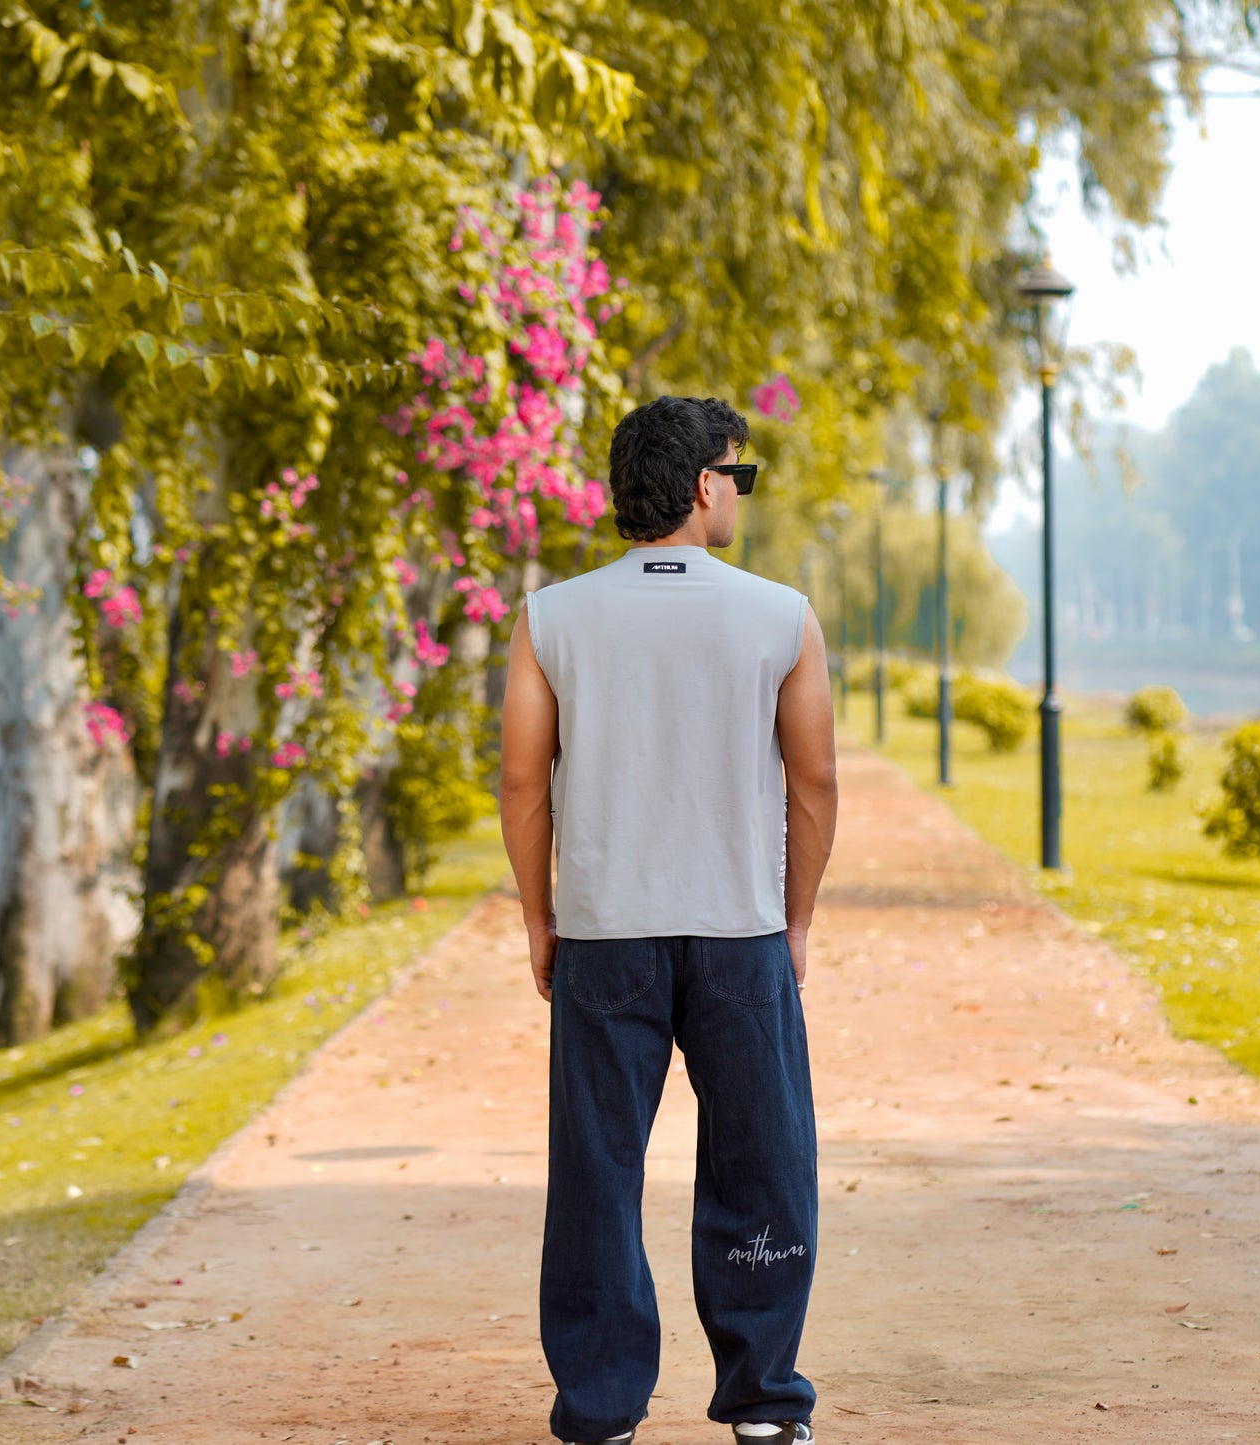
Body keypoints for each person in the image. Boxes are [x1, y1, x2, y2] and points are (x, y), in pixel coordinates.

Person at [500, 394, 838, 1445]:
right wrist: (794, 923)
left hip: (606, 935)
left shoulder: (551, 618)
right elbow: (814, 781)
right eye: (739, 472)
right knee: (760, 1161)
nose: (740, 490)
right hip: (738, 931)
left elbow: (521, 782)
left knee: (596, 1170)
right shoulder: (778, 615)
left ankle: (600, 1410)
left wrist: (539, 919)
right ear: (702, 484)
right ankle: (764, 1402)